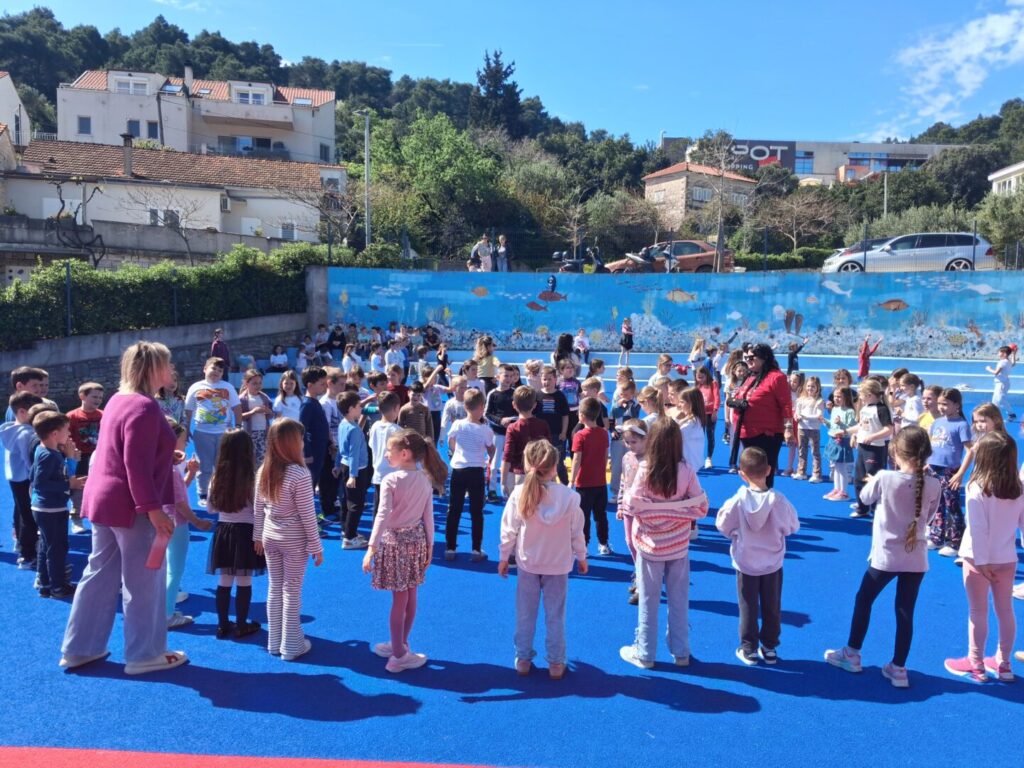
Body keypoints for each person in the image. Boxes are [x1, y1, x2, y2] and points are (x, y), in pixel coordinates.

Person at [60, 341, 188, 675]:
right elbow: (135, 464)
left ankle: (80, 648)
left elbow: (121, 451)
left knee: (99, 574)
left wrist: (164, 456)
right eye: (167, 363)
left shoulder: (119, 399)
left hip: (104, 501)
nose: (171, 369)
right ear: (153, 368)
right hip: (133, 507)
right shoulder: (145, 407)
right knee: (144, 580)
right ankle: (145, 654)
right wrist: (153, 510)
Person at [825, 426, 941, 688]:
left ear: (896, 452)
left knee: (864, 599)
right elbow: (929, 516)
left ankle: (852, 653)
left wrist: (872, 482)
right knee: (905, 611)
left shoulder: (885, 477)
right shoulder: (934, 484)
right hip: (916, 557)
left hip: (887, 556)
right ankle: (899, 668)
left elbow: (864, 498)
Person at [619, 418, 708, 669]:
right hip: (678, 546)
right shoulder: (686, 470)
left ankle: (645, 654)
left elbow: (631, 505)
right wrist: (676, 512)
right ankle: (681, 652)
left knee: (649, 601)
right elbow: (701, 506)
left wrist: (655, 512)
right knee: (679, 600)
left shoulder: (645, 470)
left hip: (650, 546)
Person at [498, 440, 587, 679]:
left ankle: (523, 659)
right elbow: (577, 532)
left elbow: (508, 529)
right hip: (558, 565)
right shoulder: (569, 497)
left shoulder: (520, 493)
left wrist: (504, 556)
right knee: (555, 615)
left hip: (528, 563)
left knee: (525, 613)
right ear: (555, 467)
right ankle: (556, 663)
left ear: (528, 465)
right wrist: (581, 556)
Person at [363, 429, 448, 673]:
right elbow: (428, 517)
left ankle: (399, 654)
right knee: (410, 596)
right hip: (416, 542)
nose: (386, 454)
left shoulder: (391, 480)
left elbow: (382, 516)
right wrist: (430, 546)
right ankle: (399, 643)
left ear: (404, 453)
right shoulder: (424, 479)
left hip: (394, 544)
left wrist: (371, 548)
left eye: (389, 450)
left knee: (399, 600)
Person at [944, 432, 1024, 683]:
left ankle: (976, 664)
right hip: (1006, 559)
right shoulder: (1018, 488)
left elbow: (977, 528)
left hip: (977, 560)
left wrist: (982, 560)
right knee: (1005, 610)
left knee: (978, 611)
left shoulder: (976, 487)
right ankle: (1003, 663)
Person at [716, 447, 800, 666]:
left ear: (741, 474)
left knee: (748, 606)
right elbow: (793, 526)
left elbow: (722, 525)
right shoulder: (779, 501)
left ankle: (749, 649)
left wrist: (736, 532)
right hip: (772, 563)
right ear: (769, 470)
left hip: (746, 562)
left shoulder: (737, 501)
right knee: (772, 605)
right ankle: (770, 647)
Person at [254, 419, 323, 661]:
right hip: (293, 539)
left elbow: (258, 508)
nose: (303, 443)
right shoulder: (299, 474)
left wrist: (257, 535)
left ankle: (275, 642)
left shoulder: (263, 470)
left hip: (270, 535)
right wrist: (316, 546)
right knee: (291, 591)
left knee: (274, 587)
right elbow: (307, 514)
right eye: (300, 439)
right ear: (292, 442)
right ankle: (292, 645)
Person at [205, 429, 265, 639]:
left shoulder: (217, 476)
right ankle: (241, 624)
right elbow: (258, 510)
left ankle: (222, 624)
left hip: (224, 531)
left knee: (224, 578)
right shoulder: (252, 478)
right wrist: (259, 535)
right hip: (246, 531)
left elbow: (210, 508)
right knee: (244, 579)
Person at [30, 411, 87, 598]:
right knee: (57, 548)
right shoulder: (48, 455)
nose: (69, 434)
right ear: (55, 434)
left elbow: (35, 476)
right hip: (50, 509)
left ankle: (45, 583)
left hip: (47, 507)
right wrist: (69, 484)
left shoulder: (47, 451)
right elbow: (40, 483)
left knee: (46, 545)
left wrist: (70, 462)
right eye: (66, 430)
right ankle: (57, 587)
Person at [729, 344, 793, 488]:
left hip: (766, 434)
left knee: (763, 474)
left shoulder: (776, 377)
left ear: (764, 358)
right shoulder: (750, 376)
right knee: (750, 473)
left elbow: (786, 405)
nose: (748, 360)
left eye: (752, 357)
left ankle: (765, 500)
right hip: (746, 432)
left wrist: (788, 429)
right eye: (746, 357)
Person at [184, 357, 243, 506]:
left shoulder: (228, 387)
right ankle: (203, 493)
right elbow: (188, 410)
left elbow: (237, 408)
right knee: (204, 465)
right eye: (213, 368)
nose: (216, 372)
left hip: (223, 433)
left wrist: (238, 426)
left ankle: (220, 492)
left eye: (220, 370)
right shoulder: (196, 387)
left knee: (222, 465)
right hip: (202, 433)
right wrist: (186, 428)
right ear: (205, 369)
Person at [446, 388, 495, 560]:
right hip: (476, 471)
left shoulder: (457, 424)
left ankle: (450, 548)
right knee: (476, 511)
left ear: (465, 406)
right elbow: (491, 448)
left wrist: (457, 453)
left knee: (454, 508)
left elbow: (450, 441)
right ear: (481, 407)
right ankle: (476, 549)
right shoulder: (485, 430)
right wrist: (489, 458)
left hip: (459, 469)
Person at [927, 388, 973, 556]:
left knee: (951, 505)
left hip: (950, 470)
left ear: (957, 405)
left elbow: (970, 451)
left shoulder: (961, 425)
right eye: (939, 403)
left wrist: (960, 474)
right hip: (933, 468)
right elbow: (932, 445)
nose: (941, 407)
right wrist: (927, 463)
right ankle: (937, 536)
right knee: (936, 503)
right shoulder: (937, 422)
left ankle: (955, 541)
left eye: (945, 404)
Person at [1, 392, 43, 569]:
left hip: (15, 477)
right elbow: (29, 460)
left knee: (21, 512)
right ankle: (27, 555)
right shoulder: (26, 433)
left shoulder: (11, 429)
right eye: (36, 412)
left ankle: (21, 545)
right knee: (29, 516)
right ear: (22, 412)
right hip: (26, 479)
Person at [848, 379, 894, 519]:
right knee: (859, 479)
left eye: (861, 394)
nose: (860, 397)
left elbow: (889, 429)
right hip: (862, 447)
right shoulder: (865, 408)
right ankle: (862, 507)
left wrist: (873, 437)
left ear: (869, 395)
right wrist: (847, 432)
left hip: (875, 449)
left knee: (873, 479)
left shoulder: (881, 409)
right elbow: (862, 426)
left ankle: (876, 509)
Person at [571, 397, 611, 555]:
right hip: (600, 482)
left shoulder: (579, 435)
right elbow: (605, 455)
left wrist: (572, 480)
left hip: (583, 484)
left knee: (583, 517)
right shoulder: (603, 433)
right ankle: (603, 544)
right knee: (601, 515)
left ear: (581, 416)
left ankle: (584, 546)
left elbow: (576, 459)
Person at [617, 419, 648, 605]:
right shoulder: (627, 457)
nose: (630, 445)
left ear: (645, 439)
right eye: (627, 442)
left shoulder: (650, 459)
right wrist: (620, 504)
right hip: (628, 508)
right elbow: (624, 481)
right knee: (629, 541)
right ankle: (639, 571)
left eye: (634, 442)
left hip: (643, 510)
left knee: (641, 544)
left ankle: (642, 583)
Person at [336, 391, 371, 549]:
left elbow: (340, 447)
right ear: (351, 409)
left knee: (346, 501)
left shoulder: (343, 424)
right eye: (358, 406)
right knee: (356, 504)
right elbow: (353, 453)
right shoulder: (355, 429)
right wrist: (353, 475)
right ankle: (349, 538)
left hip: (346, 466)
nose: (361, 409)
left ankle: (346, 530)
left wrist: (337, 465)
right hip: (356, 470)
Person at [501, 386, 552, 496]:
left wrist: (503, 481)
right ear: (534, 405)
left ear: (514, 405)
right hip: (539, 473)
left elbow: (507, 456)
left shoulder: (513, 428)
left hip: (518, 474)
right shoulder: (543, 425)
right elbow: (549, 452)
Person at [369, 392, 402, 517]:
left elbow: (371, 445)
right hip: (393, 476)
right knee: (392, 510)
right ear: (396, 408)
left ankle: (376, 529)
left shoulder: (375, 426)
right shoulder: (396, 430)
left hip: (378, 474)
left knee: (378, 508)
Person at [298, 367, 330, 501]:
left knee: (315, 481)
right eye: (322, 384)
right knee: (308, 488)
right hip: (312, 454)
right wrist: (307, 453)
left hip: (320, 450)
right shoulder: (307, 405)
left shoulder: (315, 402)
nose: (325, 386)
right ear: (310, 385)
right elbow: (301, 430)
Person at [536, 366, 570, 485]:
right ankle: (545, 484)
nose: (547, 382)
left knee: (558, 462)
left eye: (550, 379)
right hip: (541, 436)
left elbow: (565, 416)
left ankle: (565, 484)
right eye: (544, 379)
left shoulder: (560, 396)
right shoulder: (537, 395)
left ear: (555, 379)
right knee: (542, 460)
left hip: (556, 434)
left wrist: (564, 432)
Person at [824, 387, 857, 501]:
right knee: (836, 467)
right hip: (833, 439)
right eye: (835, 396)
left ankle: (844, 492)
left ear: (846, 397)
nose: (836, 399)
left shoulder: (850, 411)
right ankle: (837, 489)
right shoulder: (834, 409)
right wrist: (825, 421)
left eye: (839, 397)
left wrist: (841, 423)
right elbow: (833, 426)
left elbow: (851, 428)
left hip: (843, 441)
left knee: (842, 467)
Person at [609, 380, 641, 495]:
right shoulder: (616, 405)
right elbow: (612, 418)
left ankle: (630, 491)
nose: (623, 397)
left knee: (631, 466)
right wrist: (612, 430)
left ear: (632, 394)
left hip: (631, 439)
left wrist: (627, 404)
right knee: (616, 467)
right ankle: (615, 492)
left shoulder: (636, 404)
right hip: (618, 439)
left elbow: (634, 415)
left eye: (626, 395)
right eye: (621, 394)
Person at [794, 376, 826, 483]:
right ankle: (801, 472)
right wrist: (797, 416)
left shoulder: (819, 401)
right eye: (808, 386)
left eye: (813, 386)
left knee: (815, 452)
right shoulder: (800, 400)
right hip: (802, 428)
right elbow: (797, 412)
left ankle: (817, 474)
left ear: (817, 388)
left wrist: (804, 416)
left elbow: (818, 415)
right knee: (801, 451)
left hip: (814, 429)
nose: (810, 388)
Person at [239, 369, 273, 464]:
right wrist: (253, 412)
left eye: (260, 383)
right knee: (248, 459)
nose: (258, 386)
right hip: (249, 433)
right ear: (246, 383)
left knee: (263, 460)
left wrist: (268, 411)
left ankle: (260, 473)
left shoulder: (264, 397)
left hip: (263, 432)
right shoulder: (242, 399)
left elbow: (271, 415)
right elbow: (239, 416)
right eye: (254, 383)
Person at [694, 367, 719, 469]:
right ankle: (698, 458)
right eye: (698, 377)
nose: (700, 379)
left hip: (709, 414)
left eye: (702, 377)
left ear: (707, 375)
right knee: (698, 437)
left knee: (710, 436)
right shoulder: (697, 386)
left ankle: (709, 458)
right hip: (699, 415)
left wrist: (715, 411)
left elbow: (717, 398)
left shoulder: (713, 384)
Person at [987, 345, 1017, 422]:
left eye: (999, 352)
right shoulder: (1008, 361)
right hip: (1002, 383)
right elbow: (1013, 363)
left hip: (1001, 384)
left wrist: (989, 369)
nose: (998, 353)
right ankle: (994, 416)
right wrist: (1014, 354)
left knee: (1001, 399)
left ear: (1004, 353)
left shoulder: (1002, 362)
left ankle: (1011, 414)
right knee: (995, 400)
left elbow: (996, 372)